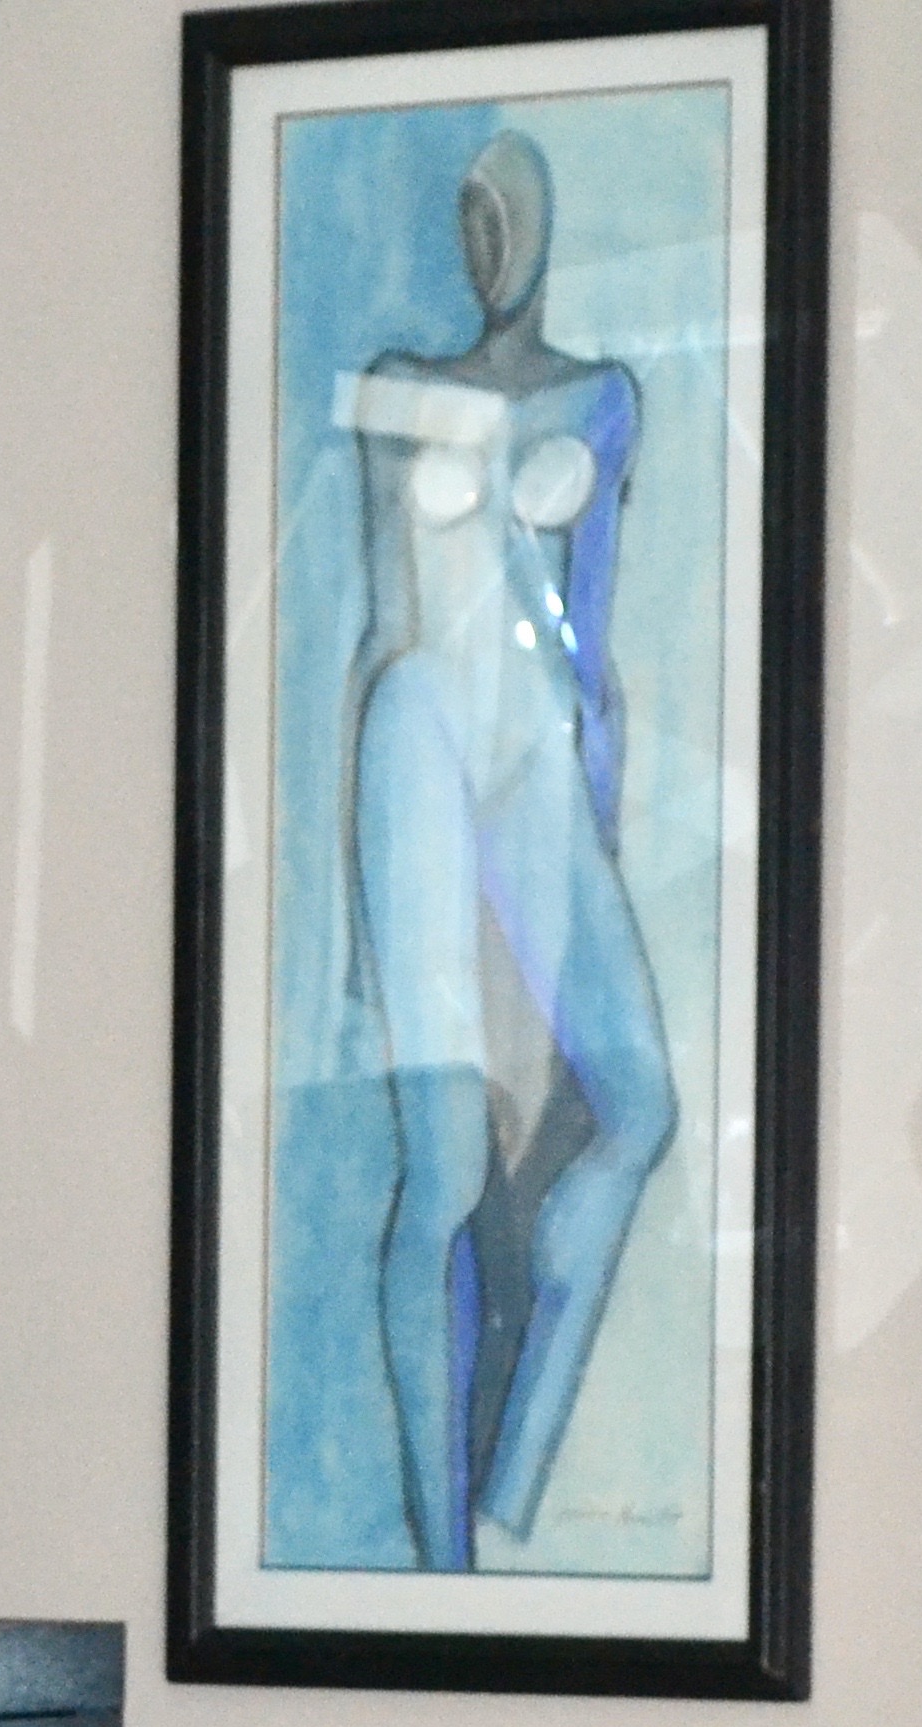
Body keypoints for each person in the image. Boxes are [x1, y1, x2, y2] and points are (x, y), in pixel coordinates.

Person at [338, 127, 668, 1568]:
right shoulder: (403, 393)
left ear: (544, 234)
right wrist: (359, 941)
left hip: (537, 750)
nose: (486, 246)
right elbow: (375, 625)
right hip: (415, 729)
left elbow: (590, 644)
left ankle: (504, 1504)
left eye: (506, 218)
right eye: (469, 219)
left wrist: (602, 840)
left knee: (640, 1105)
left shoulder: (604, 401)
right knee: (446, 1173)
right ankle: (440, 1561)